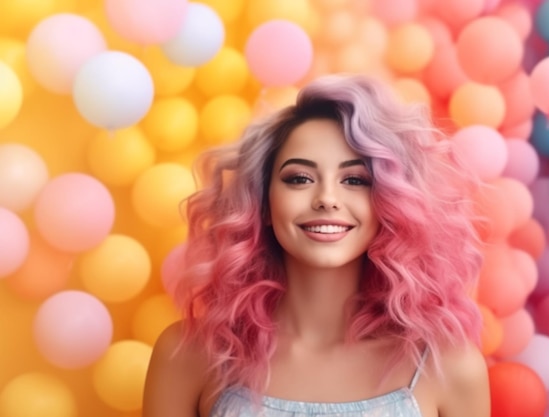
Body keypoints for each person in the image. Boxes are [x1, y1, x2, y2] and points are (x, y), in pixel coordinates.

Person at [143, 74, 490, 417]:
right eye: (300, 179)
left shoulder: (450, 367)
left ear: (390, 203)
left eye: (355, 180)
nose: (326, 199)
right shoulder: (188, 355)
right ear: (262, 203)